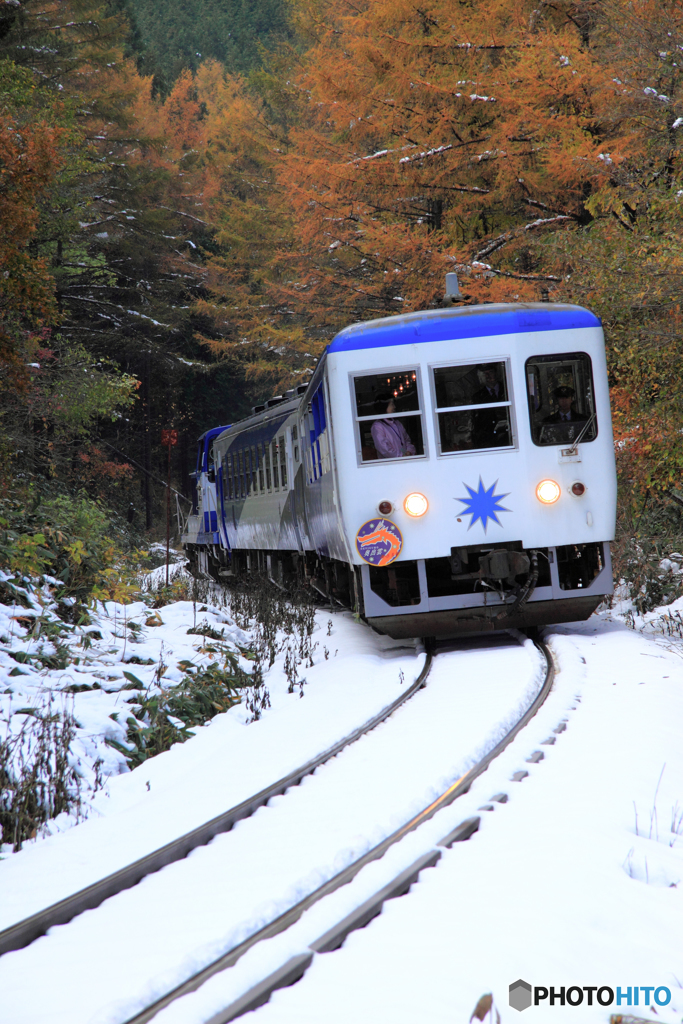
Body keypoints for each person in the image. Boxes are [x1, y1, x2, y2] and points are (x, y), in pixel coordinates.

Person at [371, 393, 417, 459]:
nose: (394, 407)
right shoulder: (377, 426)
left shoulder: (397, 423)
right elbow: (384, 448)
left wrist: (409, 451)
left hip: (404, 461)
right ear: (384, 406)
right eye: (391, 404)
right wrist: (401, 456)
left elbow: (406, 440)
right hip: (390, 465)